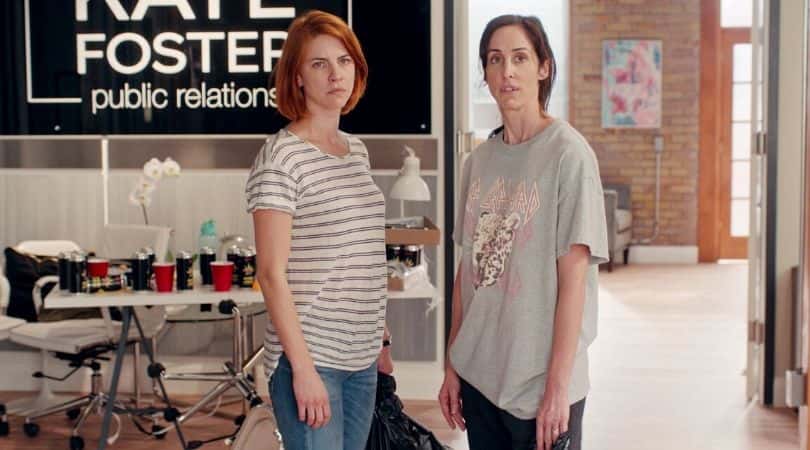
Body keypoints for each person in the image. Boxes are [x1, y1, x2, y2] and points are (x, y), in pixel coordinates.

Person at [438, 14, 609, 450]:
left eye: (520, 58)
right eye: (495, 60)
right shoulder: (478, 162)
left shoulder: (569, 156)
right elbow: (467, 274)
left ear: (543, 67)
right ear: (485, 73)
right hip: (480, 379)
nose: (507, 72)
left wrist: (558, 389)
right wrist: (453, 362)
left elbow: (574, 284)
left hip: (540, 388)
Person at [245, 10, 392, 450]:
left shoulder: (355, 151)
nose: (335, 74)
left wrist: (381, 339)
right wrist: (304, 369)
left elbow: (361, 253)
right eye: (319, 63)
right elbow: (271, 274)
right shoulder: (281, 158)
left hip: (360, 357)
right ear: (297, 78)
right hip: (311, 358)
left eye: (344, 61)